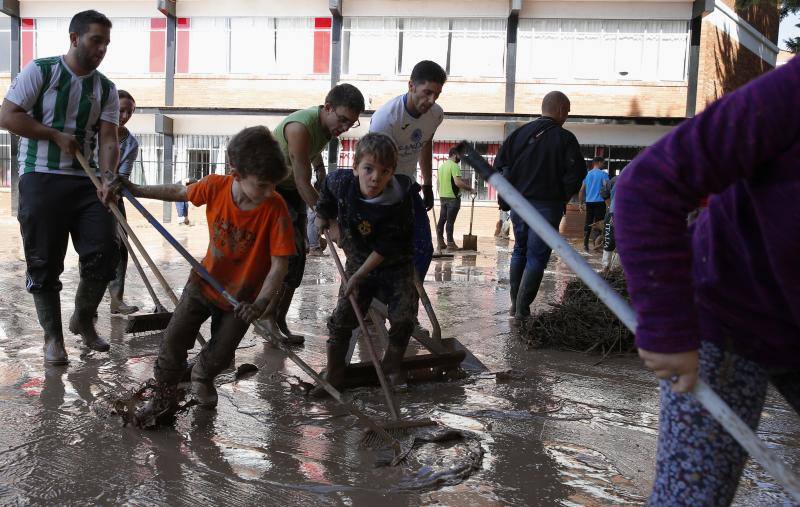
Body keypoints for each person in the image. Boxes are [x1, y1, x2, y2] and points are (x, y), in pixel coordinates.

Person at [615, 57, 800, 505]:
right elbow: (646, 187)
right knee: (691, 497)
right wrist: (667, 330)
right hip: (727, 313)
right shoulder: (790, 96)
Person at [126, 126, 295, 423]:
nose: (269, 192)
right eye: (262, 185)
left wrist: (261, 303)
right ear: (236, 173)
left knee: (220, 354)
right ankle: (164, 392)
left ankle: (202, 376)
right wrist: (137, 189)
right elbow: (180, 191)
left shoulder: (275, 207)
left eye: (274, 185)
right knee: (174, 338)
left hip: (243, 301)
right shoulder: (215, 186)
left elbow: (279, 264)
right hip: (203, 283)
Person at [0, 10, 120, 364]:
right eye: (95, 40)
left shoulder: (106, 88)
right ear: (74, 38)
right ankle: (53, 338)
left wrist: (109, 177)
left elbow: (110, 138)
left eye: (106, 43)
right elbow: (7, 116)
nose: (101, 49)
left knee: (105, 252)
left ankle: (83, 319)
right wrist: (53, 135)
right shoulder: (41, 71)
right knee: (44, 260)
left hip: (88, 182)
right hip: (41, 177)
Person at [312, 133, 416, 395]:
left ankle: (391, 370)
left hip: (395, 262)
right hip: (358, 253)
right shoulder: (341, 181)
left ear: (392, 173)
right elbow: (325, 190)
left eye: (384, 172)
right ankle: (335, 374)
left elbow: (385, 247)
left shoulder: (399, 200)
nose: (375, 178)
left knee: (404, 317)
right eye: (368, 169)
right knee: (343, 317)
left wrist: (358, 275)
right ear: (356, 166)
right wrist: (323, 215)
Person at [273, 83, 366, 344]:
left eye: (352, 123)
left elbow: (311, 154)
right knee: (283, 255)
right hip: (270, 189)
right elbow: (303, 183)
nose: (346, 127)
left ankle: (279, 318)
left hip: (290, 188)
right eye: (343, 120)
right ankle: (267, 319)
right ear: (327, 108)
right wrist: (328, 217)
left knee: (299, 255)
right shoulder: (299, 127)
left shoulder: (326, 127)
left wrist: (321, 170)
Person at [494, 91, 586, 320]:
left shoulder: (518, 135)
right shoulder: (565, 139)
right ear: (560, 109)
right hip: (547, 206)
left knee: (520, 251)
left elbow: (499, 166)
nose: (567, 115)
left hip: (519, 205)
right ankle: (522, 310)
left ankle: (515, 306)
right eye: (567, 111)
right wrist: (561, 197)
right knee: (536, 257)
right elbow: (576, 174)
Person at [369, 60, 446, 334]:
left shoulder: (436, 114)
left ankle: (405, 306)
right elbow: (375, 166)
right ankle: (375, 302)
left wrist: (426, 184)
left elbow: (425, 145)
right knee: (385, 249)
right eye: (426, 92)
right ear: (411, 85)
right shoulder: (386, 118)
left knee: (423, 248)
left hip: (408, 184)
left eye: (436, 94)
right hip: (382, 185)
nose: (430, 100)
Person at [107, 89, 139, 315]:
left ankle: (116, 300)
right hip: (88, 192)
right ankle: (86, 305)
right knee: (94, 248)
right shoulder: (95, 132)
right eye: (121, 110)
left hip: (115, 194)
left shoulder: (131, 143)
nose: (125, 115)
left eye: (130, 112)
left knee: (121, 245)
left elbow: (123, 176)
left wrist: (115, 191)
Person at [436, 146, 475, 251]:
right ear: (454, 154)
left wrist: (441, 193)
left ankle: (440, 242)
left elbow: (438, 183)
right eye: (459, 155)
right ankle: (450, 243)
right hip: (453, 198)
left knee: (442, 219)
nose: (460, 158)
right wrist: (470, 189)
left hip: (443, 196)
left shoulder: (442, 167)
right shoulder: (454, 166)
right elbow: (457, 182)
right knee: (450, 221)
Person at [578, 156, 609, 252]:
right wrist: (608, 204)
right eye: (603, 163)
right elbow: (606, 189)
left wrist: (580, 203)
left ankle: (585, 245)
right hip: (600, 202)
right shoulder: (603, 174)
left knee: (588, 222)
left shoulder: (588, 175)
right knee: (599, 223)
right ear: (599, 162)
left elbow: (581, 190)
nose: (603, 165)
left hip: (589, 202)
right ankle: (597, 245)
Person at [599, 170, 620, 270]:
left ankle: (608, 267)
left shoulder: (615, 179)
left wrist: (609, 207)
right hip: (620, 214)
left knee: (610, 241)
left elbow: (604, 193)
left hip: (614, 212)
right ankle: (612, 268)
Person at [306, 160, 328, 256]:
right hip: (313, 188)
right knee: (313, 217)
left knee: (313, 218)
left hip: (313, 187)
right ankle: (314, 247)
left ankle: (314, 246)